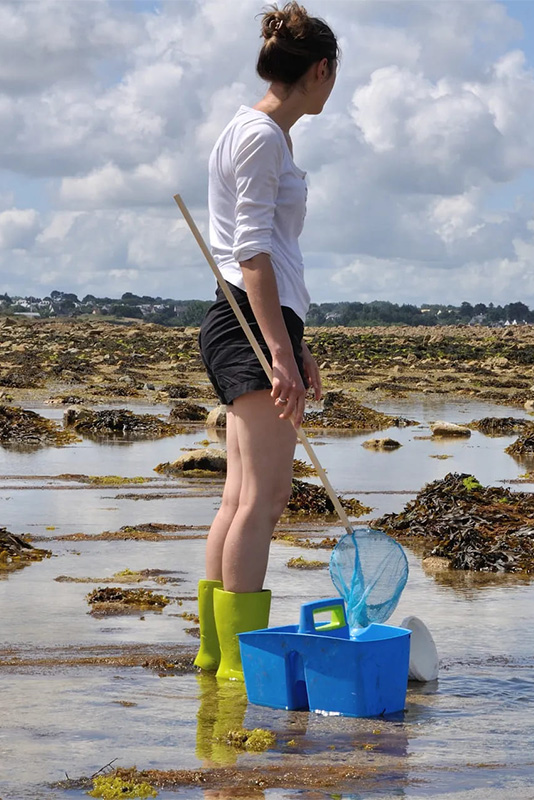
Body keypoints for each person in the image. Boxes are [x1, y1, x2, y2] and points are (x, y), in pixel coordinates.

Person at [193, 2, 338, 681]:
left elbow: (269, 253)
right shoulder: (261, 137)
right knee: (264, 498)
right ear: (320, 71)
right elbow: (251, 254)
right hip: (249, 322)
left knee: (240, 497)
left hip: (258, 320)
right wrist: (278, 350)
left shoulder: (257, 133)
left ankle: (216, 653)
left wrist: (295, 341)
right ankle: (233, 666)